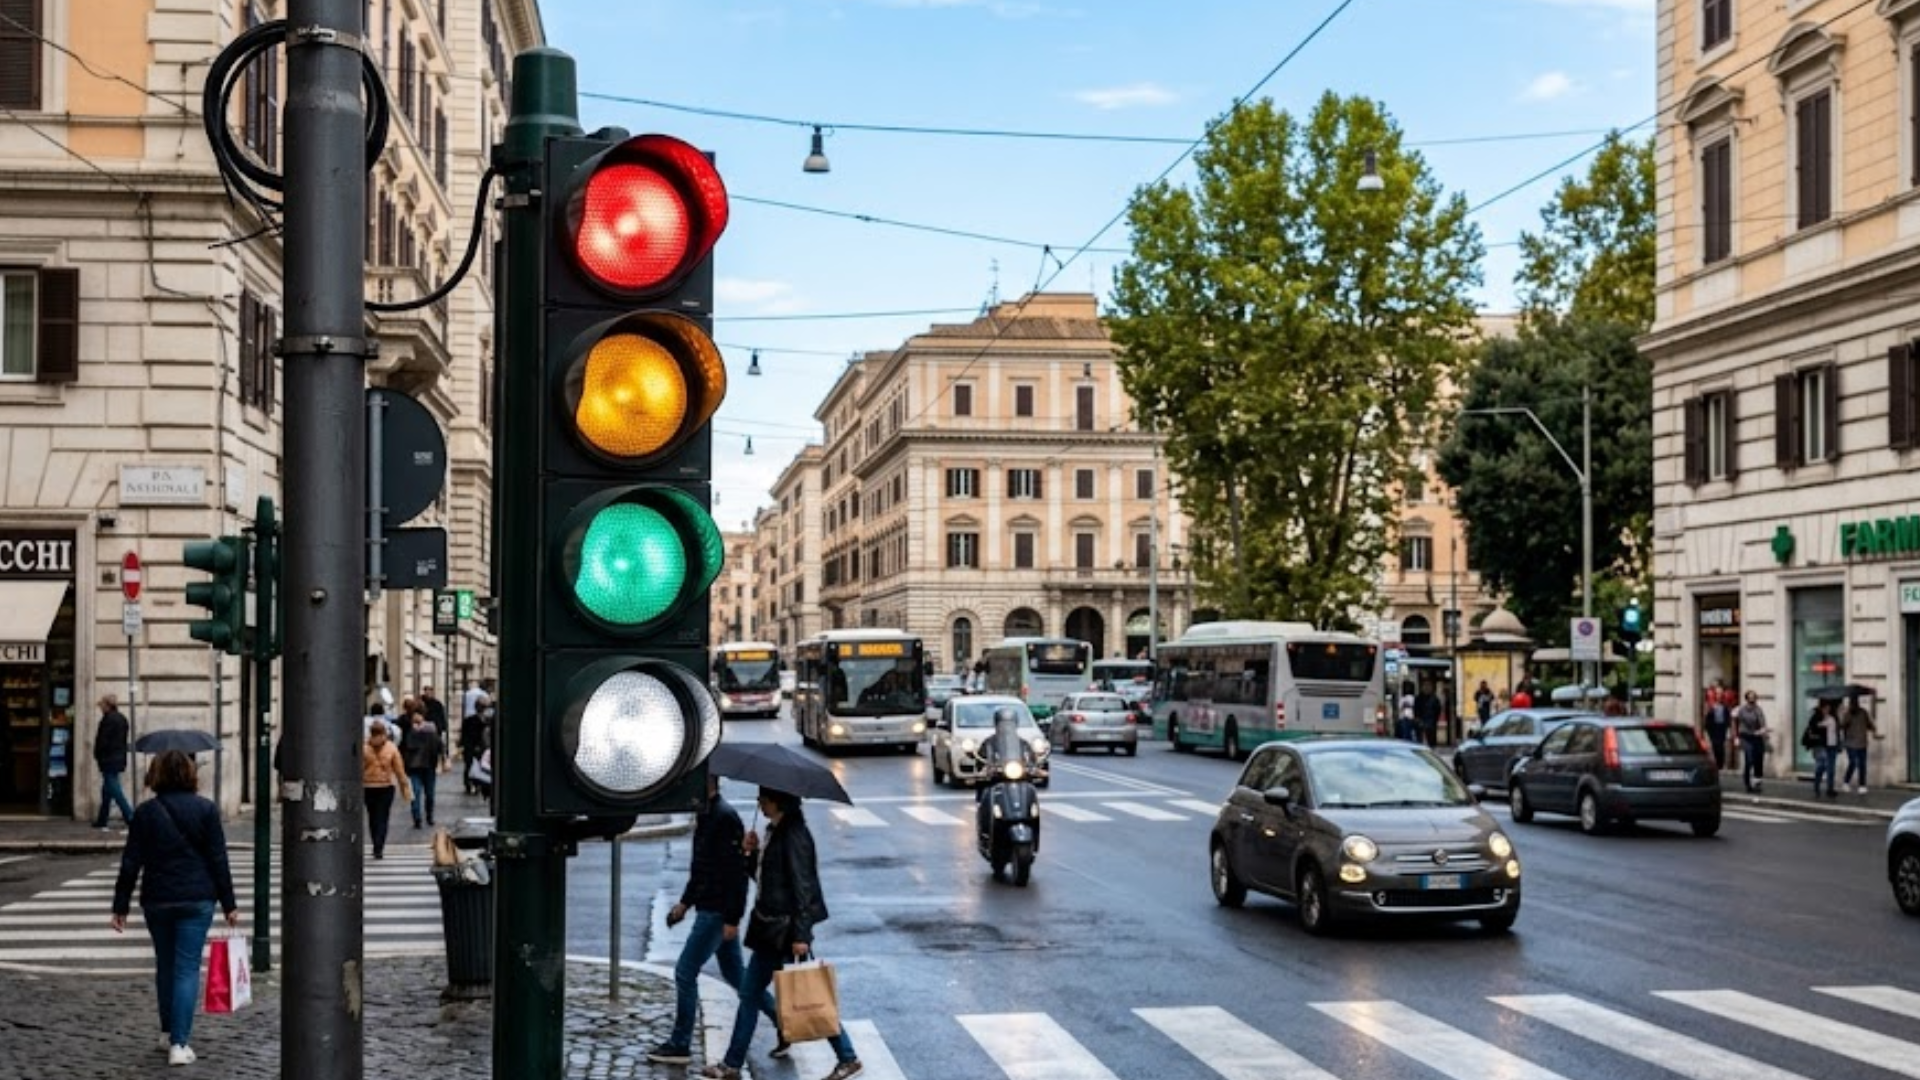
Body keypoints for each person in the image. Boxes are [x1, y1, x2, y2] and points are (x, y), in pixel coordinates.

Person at [703, 787, 862, 1080]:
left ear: (779, 802)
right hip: (769, 929)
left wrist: (801, 935)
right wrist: (750, 854)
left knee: (806, 994)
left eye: (763, 799)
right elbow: (767, 880)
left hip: (785, 932)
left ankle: (847, 1057)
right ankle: (732, 1064)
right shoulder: (775, 831)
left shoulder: (794, 835)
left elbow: (803, 888)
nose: (759, 804)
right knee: (751, 995)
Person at [110, 750, 240, 1067]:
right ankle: (179, 1044)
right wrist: (229, 903)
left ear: (156, 775)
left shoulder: (145, 812)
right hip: (196, 898)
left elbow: (131, 862)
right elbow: (218, 859)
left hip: (158, 899)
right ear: (190, 774)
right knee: (186, 969)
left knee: (165, 966)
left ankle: (168, 1032)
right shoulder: (206, 809)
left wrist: (120, 905)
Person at [647, 775, 782, 1066]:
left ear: (707, 782)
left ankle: (680, 1044)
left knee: (685, 973)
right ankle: (784, 1022)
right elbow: (702, 867)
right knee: (737, 976)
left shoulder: (724, 817)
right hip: (711, 907)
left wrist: (732, 919)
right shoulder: (707, 813)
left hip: (717, 912)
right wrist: (685, 903)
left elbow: (736, 875)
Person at [362, 722, 411, 859]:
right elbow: (399, 769)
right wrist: (404, 786)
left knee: (372, 817)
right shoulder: (391, 748)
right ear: (384, 733)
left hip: (368, 786)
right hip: (386, 786)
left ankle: (376, 843)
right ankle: (379, 846)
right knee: (383, 817)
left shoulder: (364, 748)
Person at [92, 694, 134, 831]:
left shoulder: (108, 720)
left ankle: (131, 817)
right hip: (118, 757)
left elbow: (103, 741)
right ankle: (102, 820)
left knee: (115, 789)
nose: (100, 708)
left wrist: (98, 754)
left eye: (102, 705)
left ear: (107, 705)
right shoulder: (122, 719)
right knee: (107, 790)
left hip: (109, 758)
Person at [402, 709, 442, 828]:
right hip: (423, 766)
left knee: (420, 793)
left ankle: (421, 817)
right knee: (424, 793)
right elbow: (439, 747)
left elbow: (438, 747)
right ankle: (423, 817)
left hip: (419, 766)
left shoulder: (412, 732)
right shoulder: (429, 730)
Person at [1840, 694, 1883, 795]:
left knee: (1862, 765)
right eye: (1852, 703)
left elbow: (1869, 724)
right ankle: (1846, 782)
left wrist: (1874, 730)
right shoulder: (1848, 714)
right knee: (1853, 763)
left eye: (1855, 703)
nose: (1853, 705)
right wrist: (1845, 716)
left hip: (1862, 743)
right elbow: (1842, 726)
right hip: (1851, 743)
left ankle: (1862, 785)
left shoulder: (1863, 712)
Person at [1804, 700, 1841, 798]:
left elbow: (1837, 731)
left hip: (1832, 746)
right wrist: (1821, 723)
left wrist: (1838, 745)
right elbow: (1813, 728)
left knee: (1831, 769)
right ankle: (1817, 787)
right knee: (1821, 767)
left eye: (1829, 708)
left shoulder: (1833, 717)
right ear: (1821, 708)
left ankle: (1830, 789)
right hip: (1820, 746)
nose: (1827, 709)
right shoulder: (1816, 717)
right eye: (1825, 708)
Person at [1734, 690, 1768, 793]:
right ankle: (1747, 784)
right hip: (1746, 737)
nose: (1753, 699)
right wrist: (1736, 737)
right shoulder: (1741, 710)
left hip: (1757, 737)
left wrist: (1762, 730)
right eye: (1750, 697)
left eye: (1754, 697)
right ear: (1747, 699)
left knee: (1758, 760)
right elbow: (1735, 722)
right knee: (1749, 760)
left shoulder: (1758, 710)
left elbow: (1762, 723)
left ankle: (1757, 783)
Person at [460, 696, 491, 796]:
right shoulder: (484, 720)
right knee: (472, 766)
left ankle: (473, 784)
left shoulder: (472, 720)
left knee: (472, 766)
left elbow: (463, 735)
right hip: (475, 747)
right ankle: (472, 784)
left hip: (475, 747)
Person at [1701, 679, 1733, 769]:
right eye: (1717, 693)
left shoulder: (1725, 706)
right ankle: (1718, 763)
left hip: (1722, 728)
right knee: (1715, 745)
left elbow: (1728, 718)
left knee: (1721, 746)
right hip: (1713, 728)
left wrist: (1729, 729)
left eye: (1721, 694)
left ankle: (1720, 763)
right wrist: (1706, 728)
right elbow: (1707, 718)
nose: (1719, 695)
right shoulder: (1711, 706)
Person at [420, 685, 449, 768]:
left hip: (436, 729)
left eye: (429, 691)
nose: (428, 693)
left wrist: (443, 727)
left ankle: (438, 762)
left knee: (436, 747)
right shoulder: (421, 702)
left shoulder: (437, 704)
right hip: (424, 728)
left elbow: (441, 716)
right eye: (426, 691)